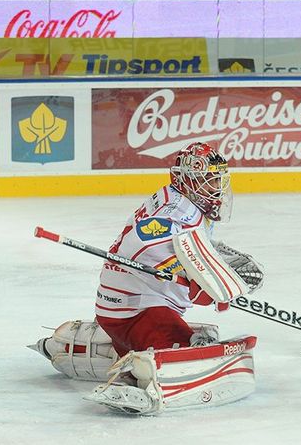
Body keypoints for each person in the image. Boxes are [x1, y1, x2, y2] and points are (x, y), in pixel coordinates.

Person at [29, 142, 263, 414]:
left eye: (217, 180)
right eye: (208, 181)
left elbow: (176, 247)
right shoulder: (177, 213)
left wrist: (205, 266)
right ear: (186, 180)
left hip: (123, 309)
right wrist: (195, 276)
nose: (215, 188)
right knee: (189, 348)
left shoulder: (175, 198)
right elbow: (139, 243)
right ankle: (136, 379)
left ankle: (118, 352)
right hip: (138, 313)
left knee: (201, 334)